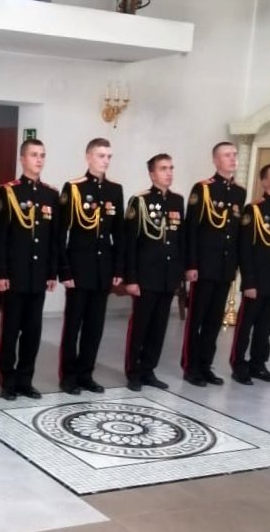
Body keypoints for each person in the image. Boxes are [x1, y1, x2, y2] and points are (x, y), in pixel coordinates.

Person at [58, 137, 124, 395]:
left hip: (102, 268)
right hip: (78, 267)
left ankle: (86, 374)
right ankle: (69, 376)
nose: (106, 161)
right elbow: (61, 233)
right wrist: (64, 270)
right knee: (73, 325)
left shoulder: (115, 190)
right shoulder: (74, 188)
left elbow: (119, 234)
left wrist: (118, 269)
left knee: (95, 326)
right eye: (101, 155)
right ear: (88, 157)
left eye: (109, 156)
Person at [0, 139, 59, 400]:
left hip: (38, 274)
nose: (39, 160)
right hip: (14, 274)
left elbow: (54, 239)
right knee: (11, 330)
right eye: (34, 155)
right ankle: (8, 380)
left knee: (33, 331)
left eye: (42, 155)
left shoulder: (50, 194)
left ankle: (25, 379)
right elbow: (0, 237)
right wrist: (0, 273)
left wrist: (52, 272)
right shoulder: (9, 192)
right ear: (22, 159)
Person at [180, 141, 246, 387]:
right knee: (196, 318)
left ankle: (205, 365)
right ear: (216, 160)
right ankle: (190, 366)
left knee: (214, 320)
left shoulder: (239, 192)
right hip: (204, 265)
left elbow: (236, 232)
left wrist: (236, 264)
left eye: (234, 154)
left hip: (225, 266)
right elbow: (192, 229)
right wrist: (191, 264)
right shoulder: (203, 189)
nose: (233, 158)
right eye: (227, 155)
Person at [229, 163, 270, 385]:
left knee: (266, 326)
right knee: (245, 326)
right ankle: (239, 365)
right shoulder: (254, 210)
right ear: (265, 182)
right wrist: (248, 281)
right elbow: (245, 248)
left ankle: (258, 364)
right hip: (256, 279)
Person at [123, 154, 185, 392]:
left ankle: (148, 369)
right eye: (163, 169)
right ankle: (133, 372)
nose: (168, 173)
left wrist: (179, 272)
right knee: (140, 326)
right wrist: (131, 277)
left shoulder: (177, 201)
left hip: (168, 276)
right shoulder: (140, 201)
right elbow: (130, 242)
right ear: (152, 174)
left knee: (159, 327)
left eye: (171, 168)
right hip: (146, 275)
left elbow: (179, 240)